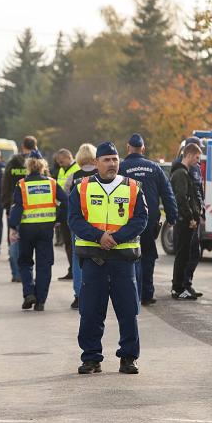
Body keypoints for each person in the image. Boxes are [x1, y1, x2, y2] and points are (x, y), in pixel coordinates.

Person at [69, 141, 148, 375]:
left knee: (128, 311)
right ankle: (91, 358)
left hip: (123, 259)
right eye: (106, 160)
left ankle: (128, 357)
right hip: (94, 260)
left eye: (115, 159)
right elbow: (74, 219)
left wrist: (115, 238)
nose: (112, 163)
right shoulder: (82, 188)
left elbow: (141, 219)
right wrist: (98, 237)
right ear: (96, 163)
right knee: (91, 311)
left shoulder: (133, 187)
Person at [118, 133, 178, 306]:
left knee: (128, 256)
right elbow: (167, 193)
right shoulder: (154, 168)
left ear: (128, 148)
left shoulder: (121, 167)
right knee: (148, 256)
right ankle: (147, 294)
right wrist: (172, 216)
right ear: (143, 148)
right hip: (150, 221)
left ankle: (131, 293)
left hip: (126, 220)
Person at [9, 151, 68, 311]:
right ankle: (40, 300)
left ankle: (29, 293)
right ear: (43, 166)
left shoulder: (22, 184)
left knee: (25, 261)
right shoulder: (52, 183)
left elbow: (17, 207)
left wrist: (13, 227)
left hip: (27, 229)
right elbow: (66, 201)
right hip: (46, 229)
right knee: (44, 264)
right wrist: (57, 218)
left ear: (28, 166)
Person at [64, 143, 97, 310]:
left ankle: (79, 295)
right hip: (98, 223)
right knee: (99, 258)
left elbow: (67, 198)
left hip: (78, 224)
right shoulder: (100, 176)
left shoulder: (73, 177)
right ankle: (96, 293)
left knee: (78, 259)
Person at [170, 142, 203, 300]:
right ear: (189, 155)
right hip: (184, 221)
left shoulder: (184, 172)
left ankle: (183, 286)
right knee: (182, 255)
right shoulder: (180, 174)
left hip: (187, 220)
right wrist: (190, 218)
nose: (198, 161)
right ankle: (178, 289)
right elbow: (181, 198)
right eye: (197, 158)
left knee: (187, 254)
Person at [2, 136, 37, 281]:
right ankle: (27, 273)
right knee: (31, 243)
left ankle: (16, 274)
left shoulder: (12, 162)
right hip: (35, 208)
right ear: (35, 146)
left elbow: (5, 185)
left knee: (14, 239)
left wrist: (6, 205)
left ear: (22, 146)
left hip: (14, 206)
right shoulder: (37, 162)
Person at [55, 149, 80, 280]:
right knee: (67, 243)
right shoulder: (61, 170)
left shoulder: (77, 169)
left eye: (61, 161)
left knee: (73, 243)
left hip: (72, 210)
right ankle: (71, 269)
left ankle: (75, 270)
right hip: (63, 210)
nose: (60, 163)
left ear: (68, 157)